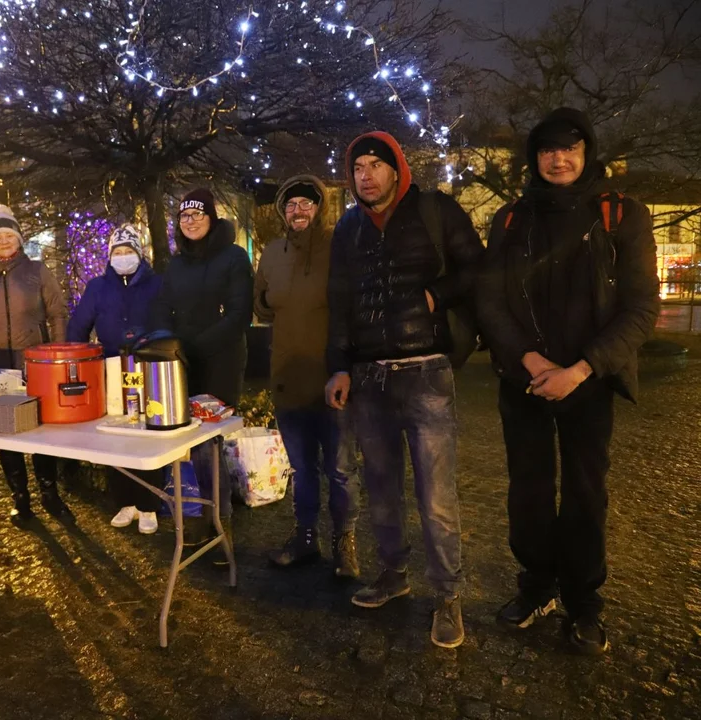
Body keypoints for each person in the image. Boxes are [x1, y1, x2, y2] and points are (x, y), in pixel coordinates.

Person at [477, 108, 659, 655]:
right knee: (527, 492)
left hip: (590, 383)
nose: (559, 158)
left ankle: (583, 600)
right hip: (525, 381)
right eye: (548, 149)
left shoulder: (620, 215)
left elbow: (641, 306)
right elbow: (490, 301)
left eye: (570, 148)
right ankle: (536, 585)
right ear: (534, 158)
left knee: (585, 495)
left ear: (587, 152)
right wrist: (531, 362)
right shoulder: (510, 219)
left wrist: (581, 369)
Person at [325, 132, 484, 648]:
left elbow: (477, 268)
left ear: (397, 170)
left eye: (376, 164)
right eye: (358, 167)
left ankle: (447, 595)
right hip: (370, 378)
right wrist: (339, 367)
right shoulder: (348, 228)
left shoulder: (435, 210)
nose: (366, 174)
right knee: (383, 493)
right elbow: (340, 303)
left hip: (427, 373)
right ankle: (393, 574)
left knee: (436, 496)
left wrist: (438, 293)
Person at [255, 175, 360, 578]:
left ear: (320, 209)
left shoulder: (340, 247)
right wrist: (266, 300)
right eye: (291, 204)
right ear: (283, 212)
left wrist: (348, 365)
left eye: (307, 203)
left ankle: (344, 542)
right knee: (302, 468)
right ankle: (306, 538)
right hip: (288, 376)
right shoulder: (271, 252)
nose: (298, 211)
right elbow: (261, 303)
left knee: (341, 467)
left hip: (333, 379)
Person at [154, 188, 254, 554]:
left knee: (210, 443)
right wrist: (166, 343)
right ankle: (194, 518)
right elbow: (163, 305)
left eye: (197, 214)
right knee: (186, 441)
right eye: (184, 216)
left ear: (212, 218)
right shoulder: (177, 263)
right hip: (181, 361)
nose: (191, 220)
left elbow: (239, 315)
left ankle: (220, 523)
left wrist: (194, 347)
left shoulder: (233, 257)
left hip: (221, 360)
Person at [0, 204, 71, 523]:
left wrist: (56, 354)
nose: (4, 241)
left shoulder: (37, 271)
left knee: (42, 428)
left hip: (35, 359)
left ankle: (50, 493)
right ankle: (20, 498)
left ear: (19, 239)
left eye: (9, 235)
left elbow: (57, 313)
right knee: (4, 430)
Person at [67, 224, 164, 534]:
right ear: (110, 256)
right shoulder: (98, 287)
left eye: (128, 251)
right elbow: (78, 327)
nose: (123, 257)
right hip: (110, 367)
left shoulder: (157, 284)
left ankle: (149, 504)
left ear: (139, 253)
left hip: (149, 366)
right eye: (117, 252)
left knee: (149, 433)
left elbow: (168, 322)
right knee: (115, 433)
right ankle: (125, 501)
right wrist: (82, 362)